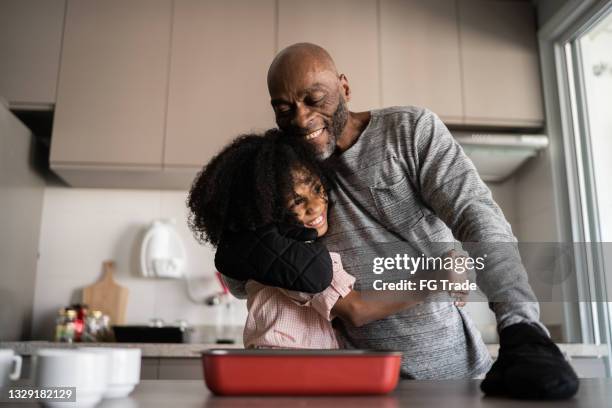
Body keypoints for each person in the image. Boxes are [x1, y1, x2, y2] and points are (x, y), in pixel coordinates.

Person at [216, 43, 579, 399]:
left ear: (344, 87)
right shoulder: (283, 169)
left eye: (314, 99)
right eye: (283, 109)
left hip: (456, 378)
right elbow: (239, 280)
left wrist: (520, 324)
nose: (300, 119)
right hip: (363, 386)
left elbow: (477, 215)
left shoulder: (409, 132)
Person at [187, 131, 465, 348]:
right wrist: (435, 278)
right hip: (286, 372)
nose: (316, 206)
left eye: (318, 190)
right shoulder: (291, 260)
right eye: (297, 200)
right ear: (268, 206)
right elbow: (357, 309)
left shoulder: (262, 249)